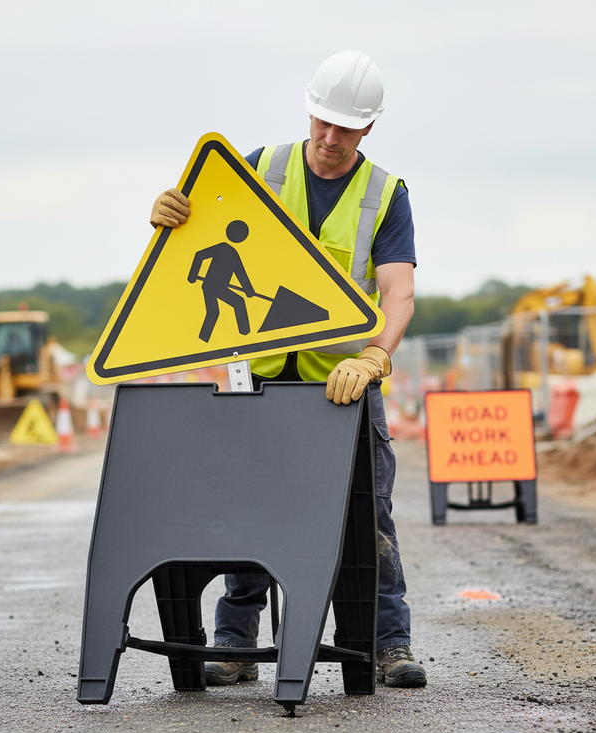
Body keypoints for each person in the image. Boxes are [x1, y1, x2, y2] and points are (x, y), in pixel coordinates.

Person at [149, 51, 426, 689]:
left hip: (344, 386)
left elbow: (398, 291)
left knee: (368, 518)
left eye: (346, 128)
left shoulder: (385, 196)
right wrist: (168, 219)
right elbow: (198, 237)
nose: (330, 138)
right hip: (260, 381)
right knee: (249, 509)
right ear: (309, 111)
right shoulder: (262, 168)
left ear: (369, 127)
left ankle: (388, 643)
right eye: (322, 121)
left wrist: (375, 355)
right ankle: (234, 645)